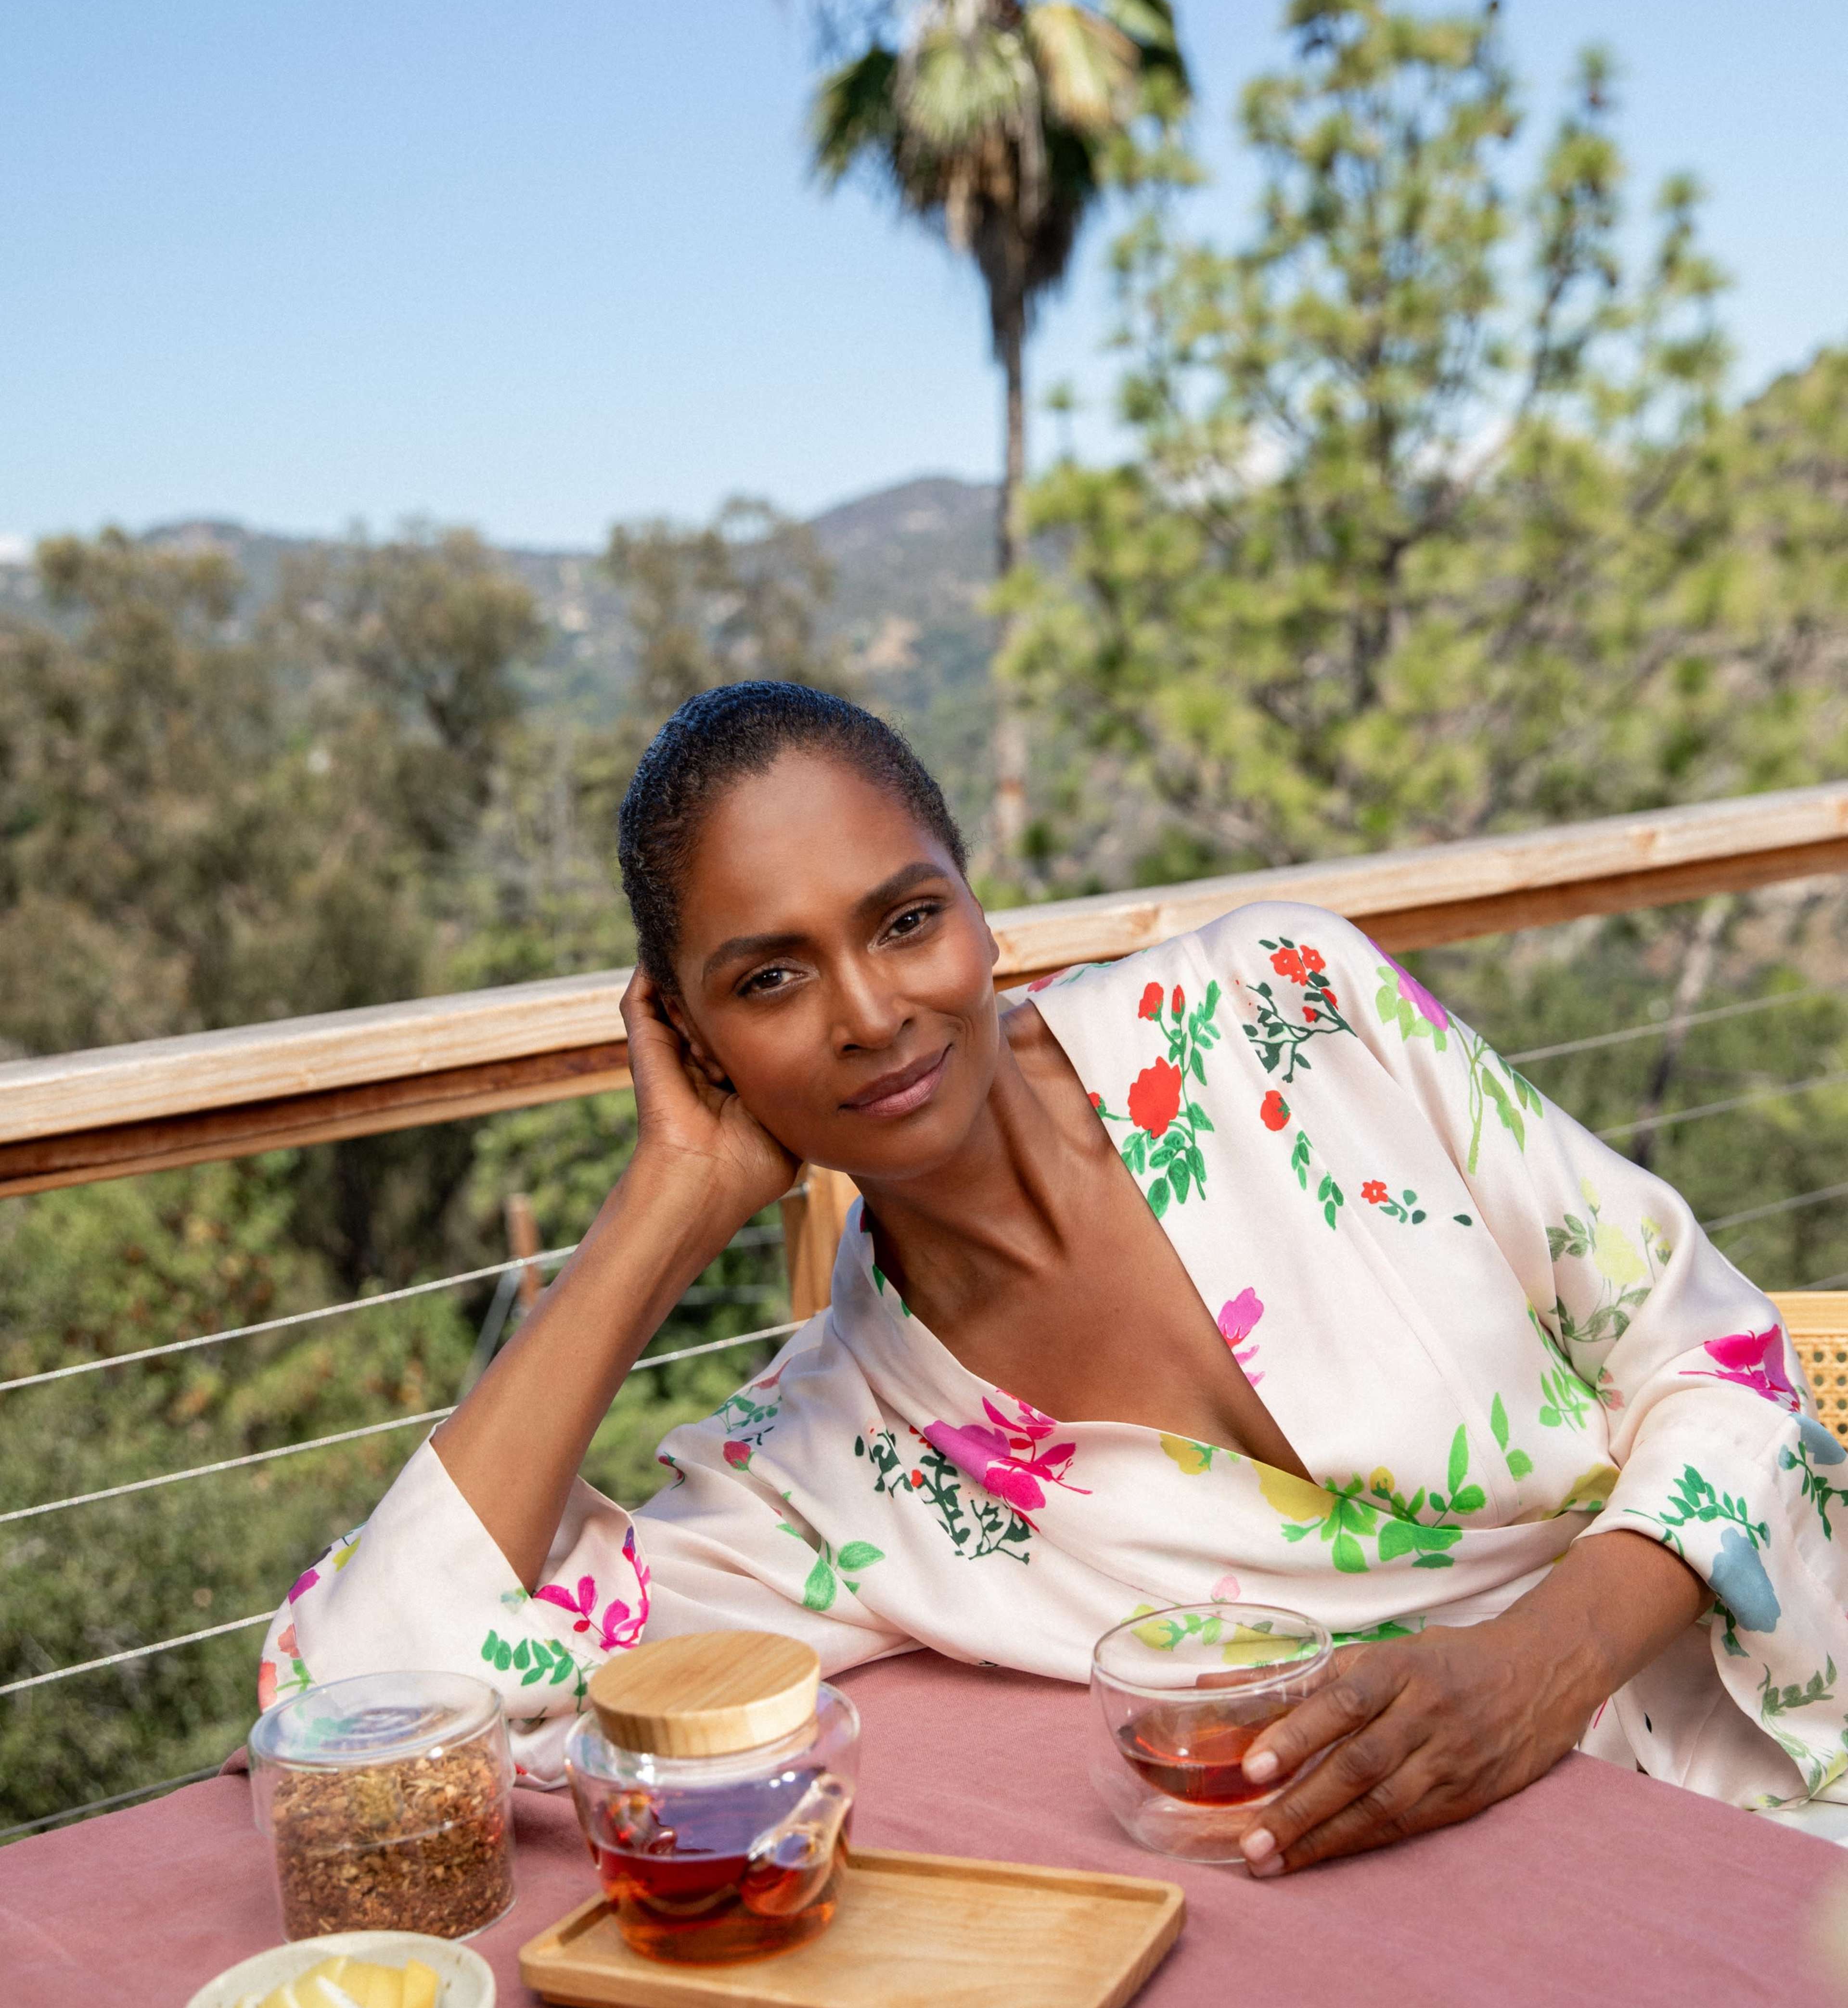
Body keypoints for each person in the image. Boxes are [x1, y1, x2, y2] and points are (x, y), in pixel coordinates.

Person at [261, 683, 1848, 1872]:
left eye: (903, 919)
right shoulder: (833, 1466)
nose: (873, 1012)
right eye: (769, 978)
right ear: (687, 1038)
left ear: (975, 905)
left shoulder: (1283, 1009)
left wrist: (1536, 1665)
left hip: (1782, 1767)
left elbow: (1726, 1366)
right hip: (1444, 1918)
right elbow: (354, 1710)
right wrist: (663, 1210)